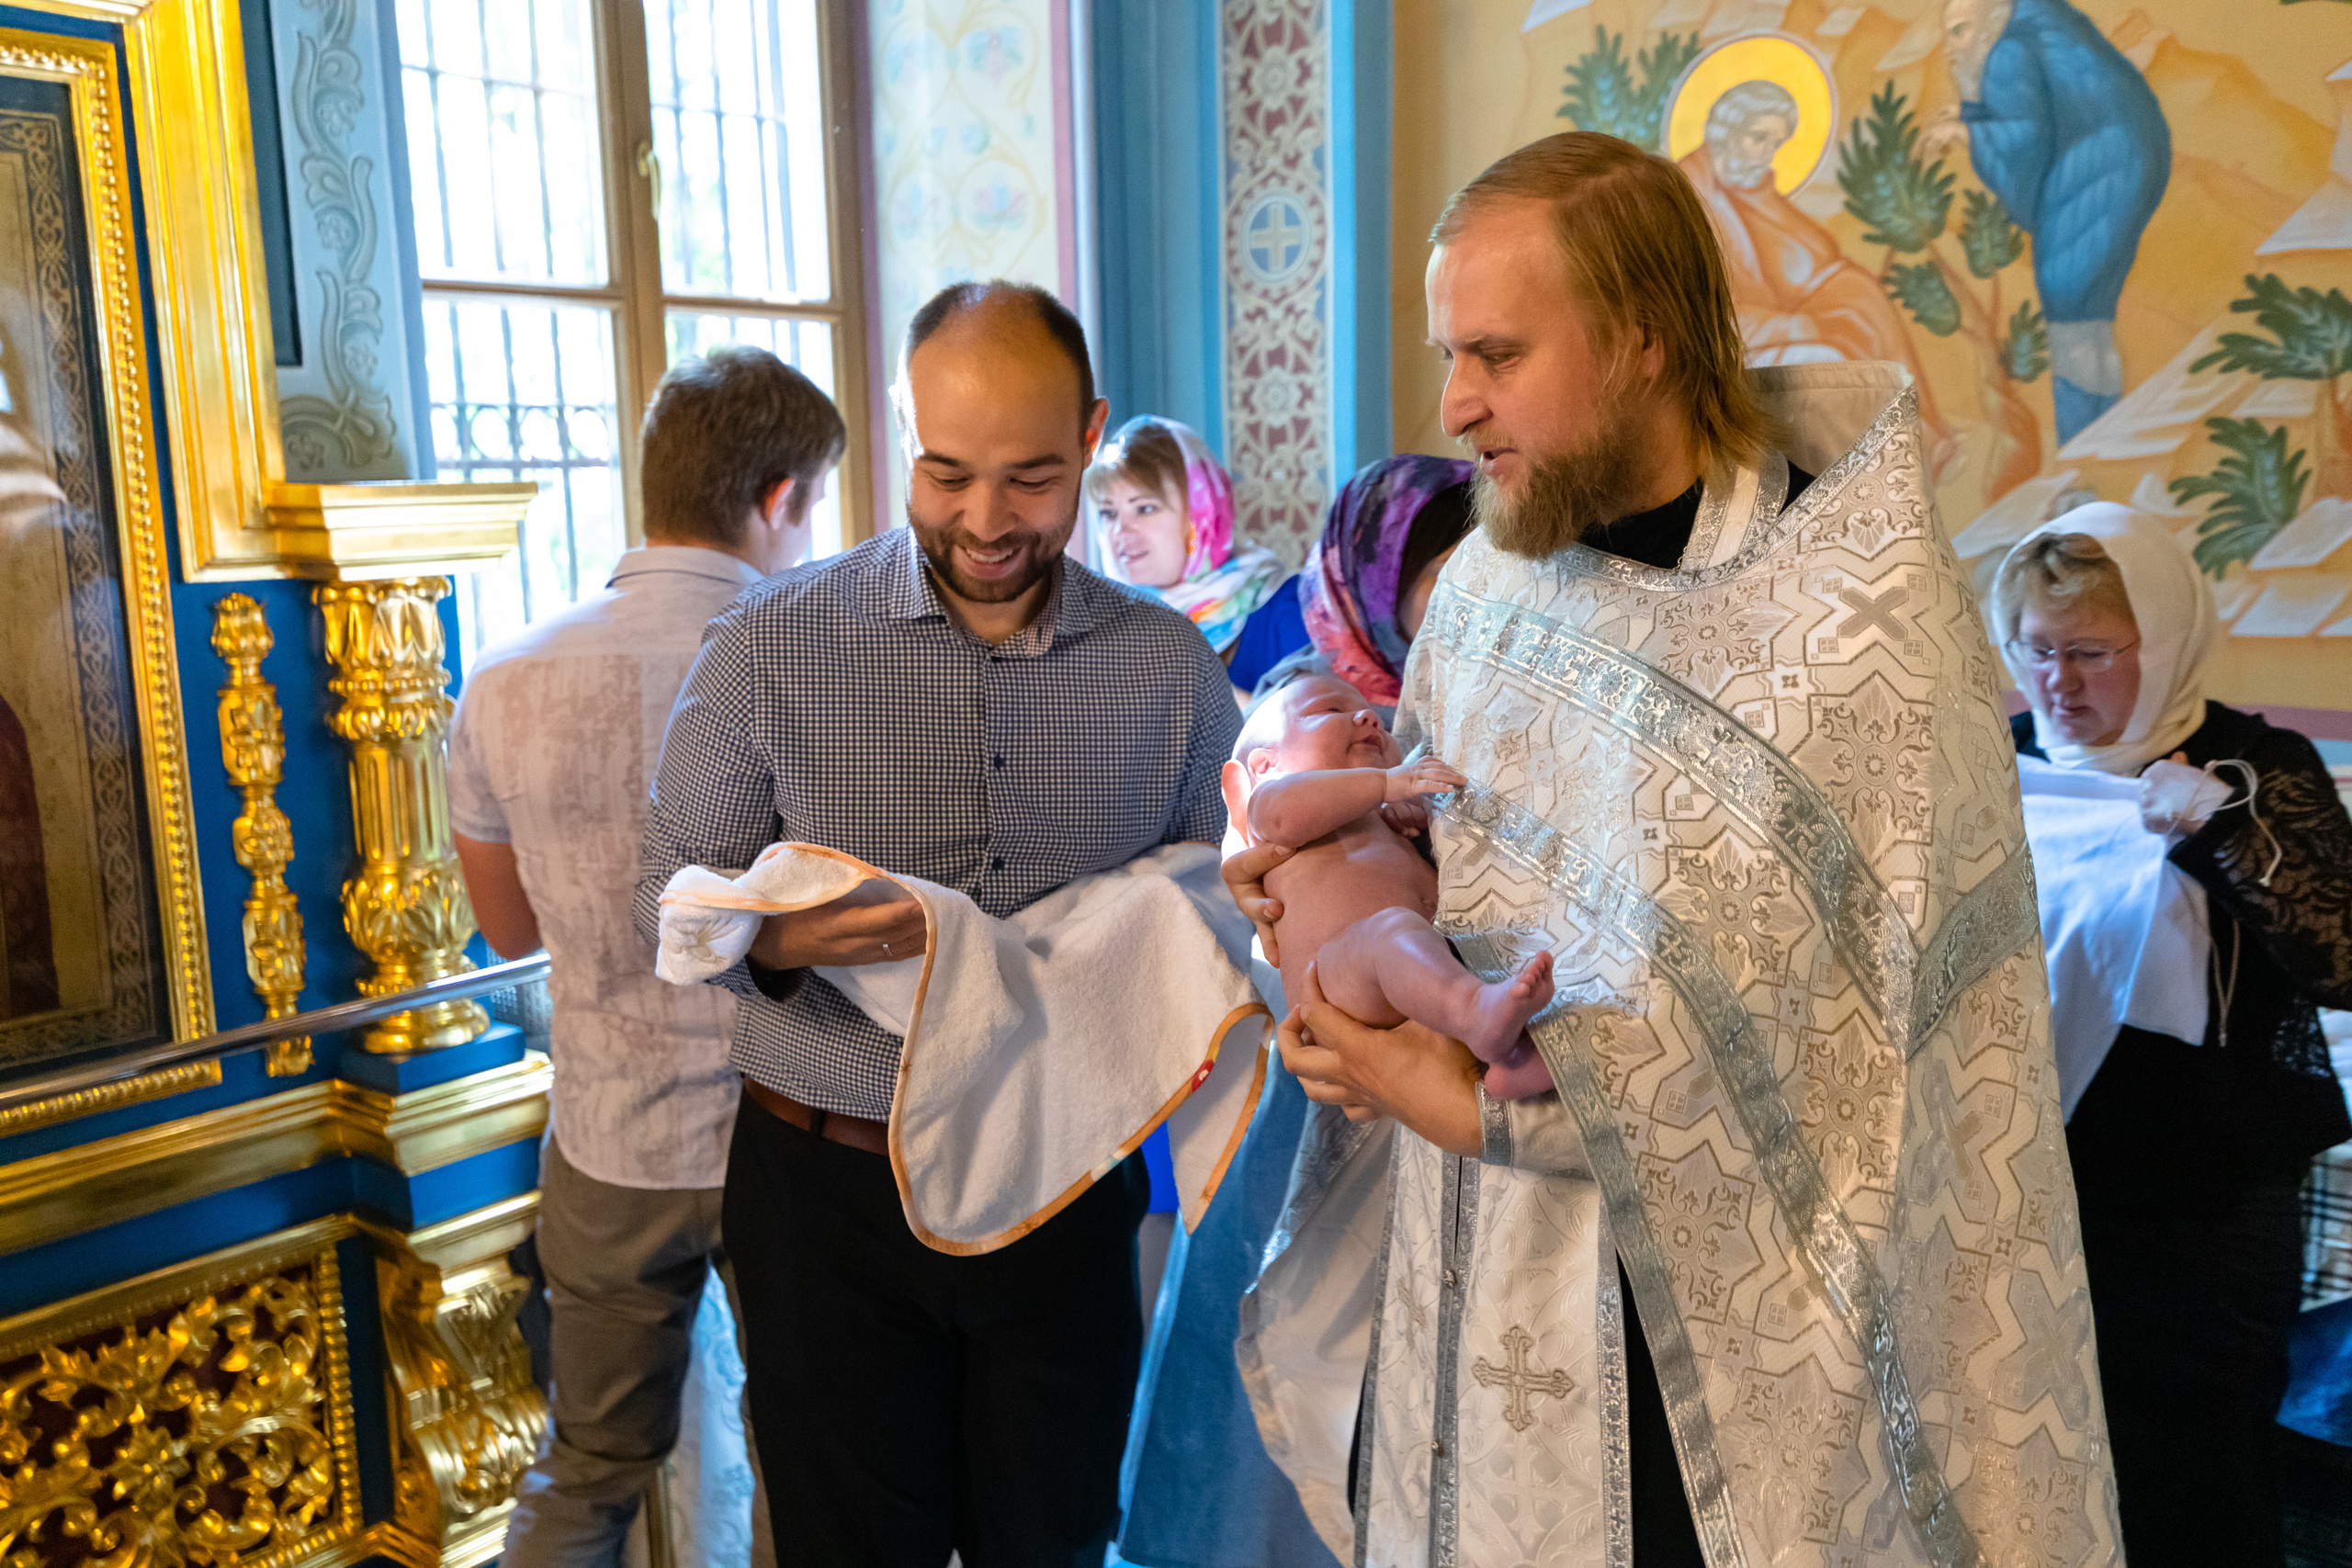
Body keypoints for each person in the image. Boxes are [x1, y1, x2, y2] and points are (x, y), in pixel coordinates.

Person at [1226, 131, 2120, 1565]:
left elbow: (1840, 1034)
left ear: (1642, 338)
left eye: (1498, 354)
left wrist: (1461, 1098)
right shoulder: (1488, 590)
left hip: (1758, 1345)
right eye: (1452, 354)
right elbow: (1428, 870)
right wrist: (1332, 982)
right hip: (1500, 1293)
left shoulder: (1857, 615)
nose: (1454, 405)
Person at [633, 280, 1242, 1564]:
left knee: (1056, 1542)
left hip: (1064, 1188)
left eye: (1032, 478)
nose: (985, 520)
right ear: (903, 430)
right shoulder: (769, 646)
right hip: (826, 1195)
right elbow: (663, 888)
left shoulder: (1170, 672)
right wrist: (777, 938)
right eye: (947, 472)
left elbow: (1224, 904)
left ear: (1091, 434)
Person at [450, 344, 842, 1568]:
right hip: (790, 1132)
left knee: (587, 1468)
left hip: (608, 1139)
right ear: (779, 496)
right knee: (811, 1465)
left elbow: (508, 931)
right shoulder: (822, 666)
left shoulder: (501, 679)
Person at [1994, 504, 2352, 1568]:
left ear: (2163, 635)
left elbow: (2339, 953)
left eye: (2091, 652)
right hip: (2029, 1182)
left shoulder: (2256, 764)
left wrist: (2218, 827)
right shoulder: (2001, 765)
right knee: (2047, 1456)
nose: (2057, 683)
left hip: (2205, 1195)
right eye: (2036, 649)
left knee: (2197, 1470)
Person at [1222, 673, 1552, 1092]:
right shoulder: (1269, 806)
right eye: (1331, 709)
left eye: (1374, 713)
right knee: (1392, 931)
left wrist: (1409, 812)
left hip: (1422, 970)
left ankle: (1510, 1062)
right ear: (1266, 766)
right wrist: (1386, 784)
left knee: (1448, 957)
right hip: (1339, 981)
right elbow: (1288, 815)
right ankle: (1475, 1014)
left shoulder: (1376, 814)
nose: (1370, 718)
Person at [1921, 0, 2169, 443]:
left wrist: (1969, 132)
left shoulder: (2007, 52)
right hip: (2132, 155)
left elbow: (2026, 144)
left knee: (2069, 302)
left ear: (1992, 24)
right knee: (2088, 314)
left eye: (1959, 31)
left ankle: (2084, 446)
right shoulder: (2041, 23)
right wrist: (1974, 116)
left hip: (2097, 170)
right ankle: (2102, 435)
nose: (1949, 49)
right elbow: (2045, 107)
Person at [1679, 80, 1953, 457]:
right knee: (1832, 365)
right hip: (1732, 347)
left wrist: (1846, 288)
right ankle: (1879, 463)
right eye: (1758, 139)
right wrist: (1792, 326)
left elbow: (1809, 255)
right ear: (1726, 131)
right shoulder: (1687, 199)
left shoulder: (1751, 189)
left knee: (1866, 301)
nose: (1767, 155)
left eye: (1776, 144)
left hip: (1781, 324)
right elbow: (1704, 312)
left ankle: (1917, 437)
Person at [1252, 454, 1477, 709]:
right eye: (1450, 572)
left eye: (1493, 569)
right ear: (1376, 586)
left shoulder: (1486, 681)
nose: (1483, 593)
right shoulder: (1305, 713)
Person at [1084, 414, 1289, 679]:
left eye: (1145, 509)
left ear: (1202, 514)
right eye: (1108, 513)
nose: (1120, 531)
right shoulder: (1095, 625)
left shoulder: (1287, 609)